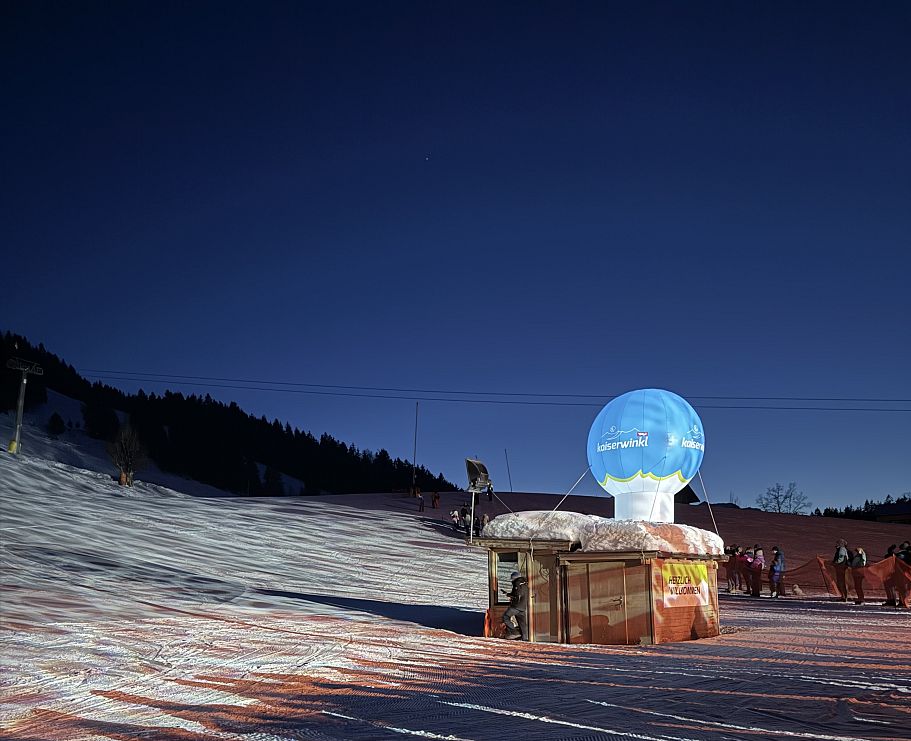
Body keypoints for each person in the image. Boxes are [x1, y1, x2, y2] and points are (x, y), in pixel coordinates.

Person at [502, 570, 529, 640]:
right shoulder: (524, 583)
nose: (511, 580)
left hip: (516, 606)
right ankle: (525, 638)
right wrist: (508, 594)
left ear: (514, 578)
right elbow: (519, 594)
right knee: (522, 623)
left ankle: (514, 632)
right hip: (523, 606)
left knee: (505, 616)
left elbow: (517, 594)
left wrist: (513, 597)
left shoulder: (517, 583)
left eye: (512, 578)